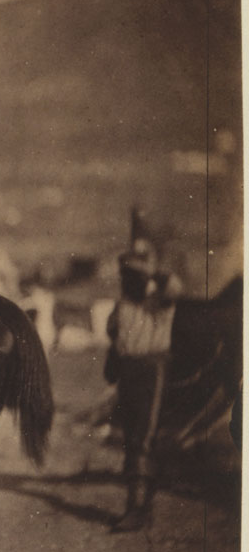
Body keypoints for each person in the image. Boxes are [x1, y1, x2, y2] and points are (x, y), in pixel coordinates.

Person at [103, 209, 182, 533]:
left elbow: (173, 285)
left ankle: (138, 509)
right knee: (130, 439)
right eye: (126, 273)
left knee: (143, 439)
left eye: (134, 274)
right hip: (129, 373)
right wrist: (112, 365)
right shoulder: (123, 304)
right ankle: (138, 506)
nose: (128, 278)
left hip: (152, 372)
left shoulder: (160, 300)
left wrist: (151, 265)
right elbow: (114, 336)